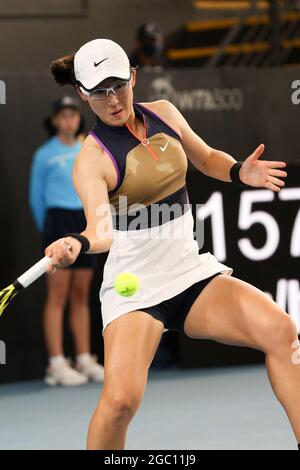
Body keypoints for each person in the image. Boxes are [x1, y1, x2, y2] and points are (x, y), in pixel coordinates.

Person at [45, 38, 300, 450]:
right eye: (99, 92)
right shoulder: (91, 159)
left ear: (133, 76)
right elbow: (101, 229)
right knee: (120, 403)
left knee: (282, 331)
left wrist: (239, 172)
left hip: (191, 272)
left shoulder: (164, 113)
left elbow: (206, 158)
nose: (112, 100)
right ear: (81, 94)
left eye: (118, 86)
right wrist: (77, 243)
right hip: (136, 289)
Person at [29, 96, 104, 386]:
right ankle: (57, 363)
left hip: (84, 224)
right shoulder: (44, 155)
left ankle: (84, 358)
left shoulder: (89, 148)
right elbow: (36, 200)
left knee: (82, 295)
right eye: (62, 116)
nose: (68, 120)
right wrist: (49, 233)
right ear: (55, 121)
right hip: (57, 223)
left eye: (73, 115)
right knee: (58, 296)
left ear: (78, 119)